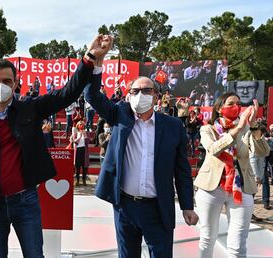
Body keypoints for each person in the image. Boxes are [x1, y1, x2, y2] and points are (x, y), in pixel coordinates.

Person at [0, 35, 113, 258]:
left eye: (7, 81)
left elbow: (67, 93)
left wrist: (89, 58)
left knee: (34, 255)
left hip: (25, 201)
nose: (1, 86)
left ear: (16, 83)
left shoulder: (28, 108)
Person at [84, 76, 198, 258]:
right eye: (135, 91)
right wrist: (94, 64)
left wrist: (187, 206)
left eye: (146, 91)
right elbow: (91, 95)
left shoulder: (173, 126)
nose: (140, 95)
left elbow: (182, 170)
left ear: (155, 97)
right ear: (129, 96)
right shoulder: (120, 116)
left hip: (158, 209)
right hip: (126, 207)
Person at [194, 93, 270, 258]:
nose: (235, 106)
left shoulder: (247, 129)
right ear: (220, 108)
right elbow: (214, 149)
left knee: (238, 244)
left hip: (241, 189)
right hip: (211, 187)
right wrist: (238, 129)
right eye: (230, 103)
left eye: (238, 103)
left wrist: (253, 124)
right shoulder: (208, 129)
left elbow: (264, 151)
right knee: (207, 238)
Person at [72, 121, 90, 186]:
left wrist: (84, 135)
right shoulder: (76, 133)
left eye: (82, 124)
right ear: (77, 126)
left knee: (84, 166)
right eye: (79, 124)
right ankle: (77, 180)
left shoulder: (87, 133)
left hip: (84, 151)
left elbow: (88, 141)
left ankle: (84, 180)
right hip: (78, 151)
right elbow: (75, 142)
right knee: (77, 166)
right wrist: (79, 137)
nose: (81, 125)